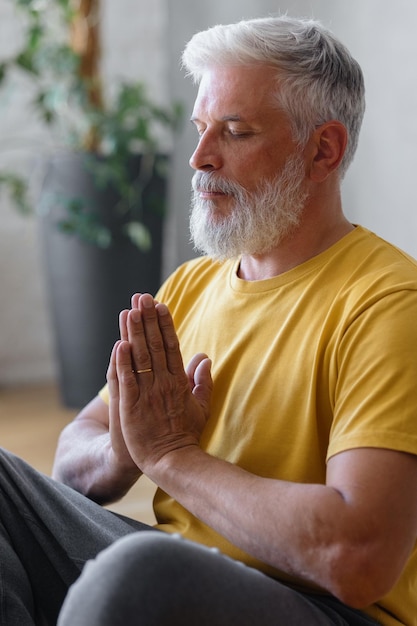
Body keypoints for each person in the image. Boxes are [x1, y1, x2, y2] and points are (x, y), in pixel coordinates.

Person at [1, 15, 417, 626]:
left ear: (323, 150)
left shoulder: (388, 304)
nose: (199, 157)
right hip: (174, 580)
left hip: (325, 609)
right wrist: (124, 449)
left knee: (138, 574)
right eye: (200, 129)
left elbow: (357, 557)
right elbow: (72, 463)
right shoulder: (190, 286)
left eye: (235, 131)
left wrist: (173, 456)